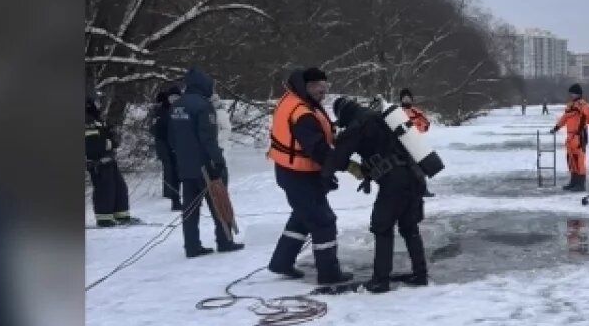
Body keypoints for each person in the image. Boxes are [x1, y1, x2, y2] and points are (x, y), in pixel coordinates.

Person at [324, 96, 428, 294]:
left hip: (394, 182)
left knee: (382, 226)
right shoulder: (379, 117)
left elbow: (337, 159)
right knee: (409, 227)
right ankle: (420, 274)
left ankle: (381, 280)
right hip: (414, 176)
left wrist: (326, 172)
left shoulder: (357, 125)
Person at [265, 67, 351, 285]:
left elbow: (319, 134)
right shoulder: (302, 113)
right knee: (323, 221)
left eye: (324, 86)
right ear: (306, 86)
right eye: (316, 86)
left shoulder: (296, 100)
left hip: (293, 171)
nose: (322, 90)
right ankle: (329, 274)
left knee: (303, 216)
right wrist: (344, 164)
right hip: (298, 175)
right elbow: (317, 149)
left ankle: (281, 262)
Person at [169, 68, 244, 257]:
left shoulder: (177, 105)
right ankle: (225, 240)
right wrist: (217, 161)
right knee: (219, 202)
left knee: (190, 208)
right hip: (205, 165)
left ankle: (191, 245)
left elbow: (171, 137)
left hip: (185, 165)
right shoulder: (203, 106)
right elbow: (208, 139)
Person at [85, 98, 135, 226]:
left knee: (119, 187)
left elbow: (109, 138)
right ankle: (104, 218)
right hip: (97, 161)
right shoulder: (87, 120)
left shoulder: (97, 119)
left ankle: (121, 215)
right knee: (104, 189)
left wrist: (112, 139)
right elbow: (91, 143)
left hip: (108, 158)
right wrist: (106, 146)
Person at [550, 83, 589, 192]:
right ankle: (573, 182)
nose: (571, 95)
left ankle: (581, 184)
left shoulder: (583, 105)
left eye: (573, 93)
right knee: (571, 159)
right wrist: (556, 128)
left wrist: (584, 113)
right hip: (570, 136)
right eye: (571, 93)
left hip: (579, 136)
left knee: (579, 160)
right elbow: (564, 118)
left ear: (578, 94)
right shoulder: (570, 106)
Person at [150, 85, 182, 211]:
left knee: (179, 171)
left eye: (177, 97)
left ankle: (179, 197)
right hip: (164, 143)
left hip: (178, 145)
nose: (174, 100)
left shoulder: (182, 109)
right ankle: (173, 198)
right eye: (172, 97)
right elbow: (154, 129)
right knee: (170, 170)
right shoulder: (161, 110)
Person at [398, 88, 435, 198]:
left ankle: (423, 189)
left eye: (408, 98)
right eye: (404, 98)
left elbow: (425, 125)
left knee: (419, 168)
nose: (406, 100)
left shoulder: (416, 112)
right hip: (400, 145)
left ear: (411, 99)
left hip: (414, 143)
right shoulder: (397, 112)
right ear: (401, 100)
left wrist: (413, 127)